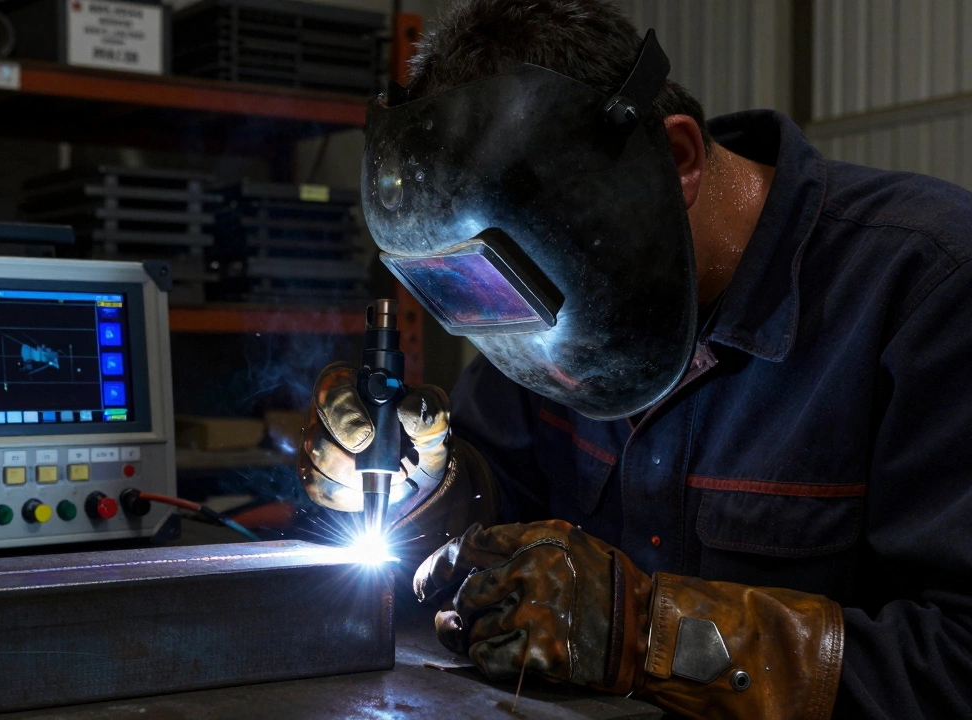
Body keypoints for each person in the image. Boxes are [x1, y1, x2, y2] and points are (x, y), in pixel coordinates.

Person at [297, 1, 972, 718]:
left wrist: (650, 633)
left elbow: (957, 663)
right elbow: (498, 502)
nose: (542, 356)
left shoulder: (930, 287)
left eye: (547, 294)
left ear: (678, 160)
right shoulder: (530, 281)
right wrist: (418, 486)